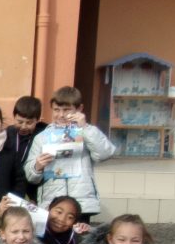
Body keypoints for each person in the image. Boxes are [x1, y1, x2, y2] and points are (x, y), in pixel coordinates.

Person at [24, 86, 116, 220]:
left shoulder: (87, 132)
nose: (61, 115)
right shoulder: (42, 137)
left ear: (79, 109)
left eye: (66, 110)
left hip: (81, 202)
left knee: (80, 239)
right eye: (56, 110)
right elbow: (30, 176)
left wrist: (85, 127)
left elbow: (105, 153)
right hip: (52, 203)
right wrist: (38, 166)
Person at [7, 96, 47, 201]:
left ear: (38, 120)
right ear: (14, 116)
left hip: (33, 187)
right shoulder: (6, 134)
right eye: (19, 122)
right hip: (11, 185)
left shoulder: (44, 135)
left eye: (29, 123)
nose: (23, 126)